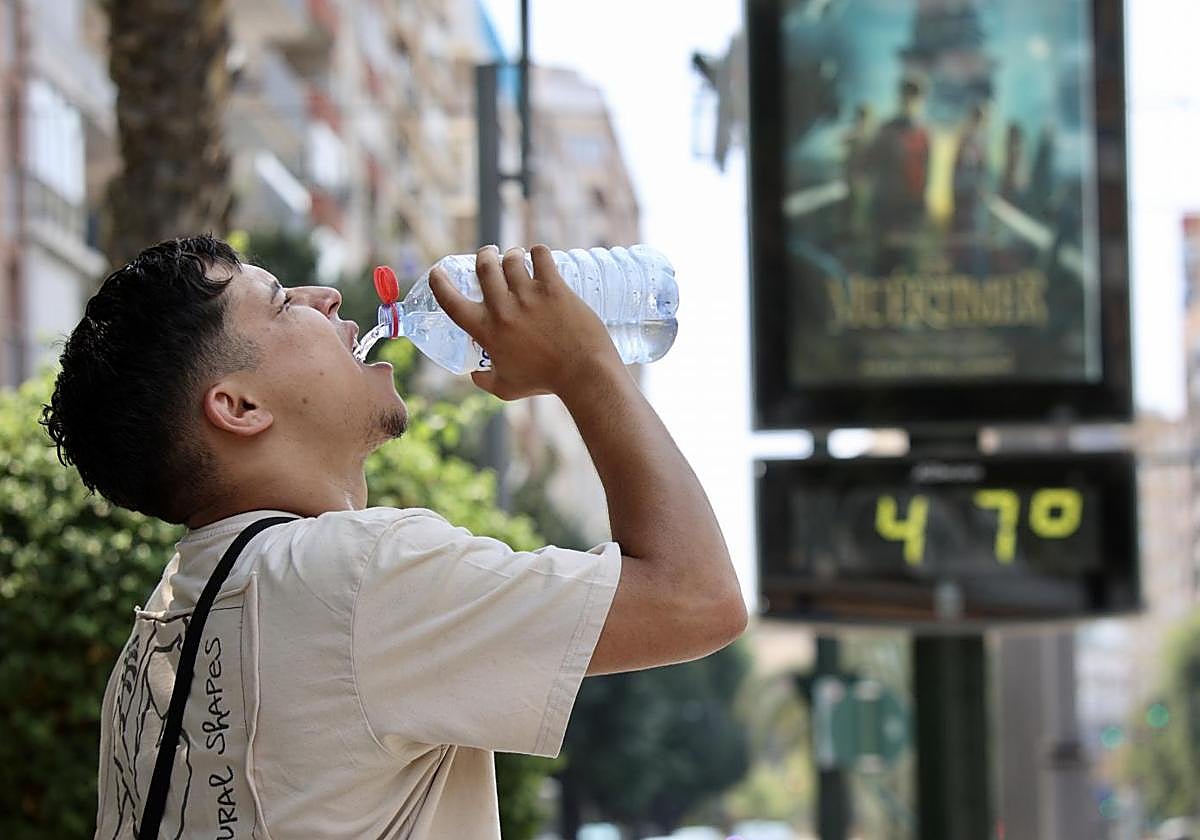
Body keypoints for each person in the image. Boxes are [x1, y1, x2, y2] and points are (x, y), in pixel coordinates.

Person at [41, 235, 745, 839]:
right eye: (282, 303)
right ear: (240, 406)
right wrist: (584, 365)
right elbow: (697, 598)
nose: (326, 297)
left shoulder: (154, 639)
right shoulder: (355, 578)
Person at [867, 78, 930, 275]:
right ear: (900, 99)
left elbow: (925, 176)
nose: (910, 102)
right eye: (907, 97)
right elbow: (871, 166)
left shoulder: (923, 134)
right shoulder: (886, 131)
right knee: (884, 266)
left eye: (915, 98)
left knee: (910, 268)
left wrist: (921, 209)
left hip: (912, 213)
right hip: (888, 211)